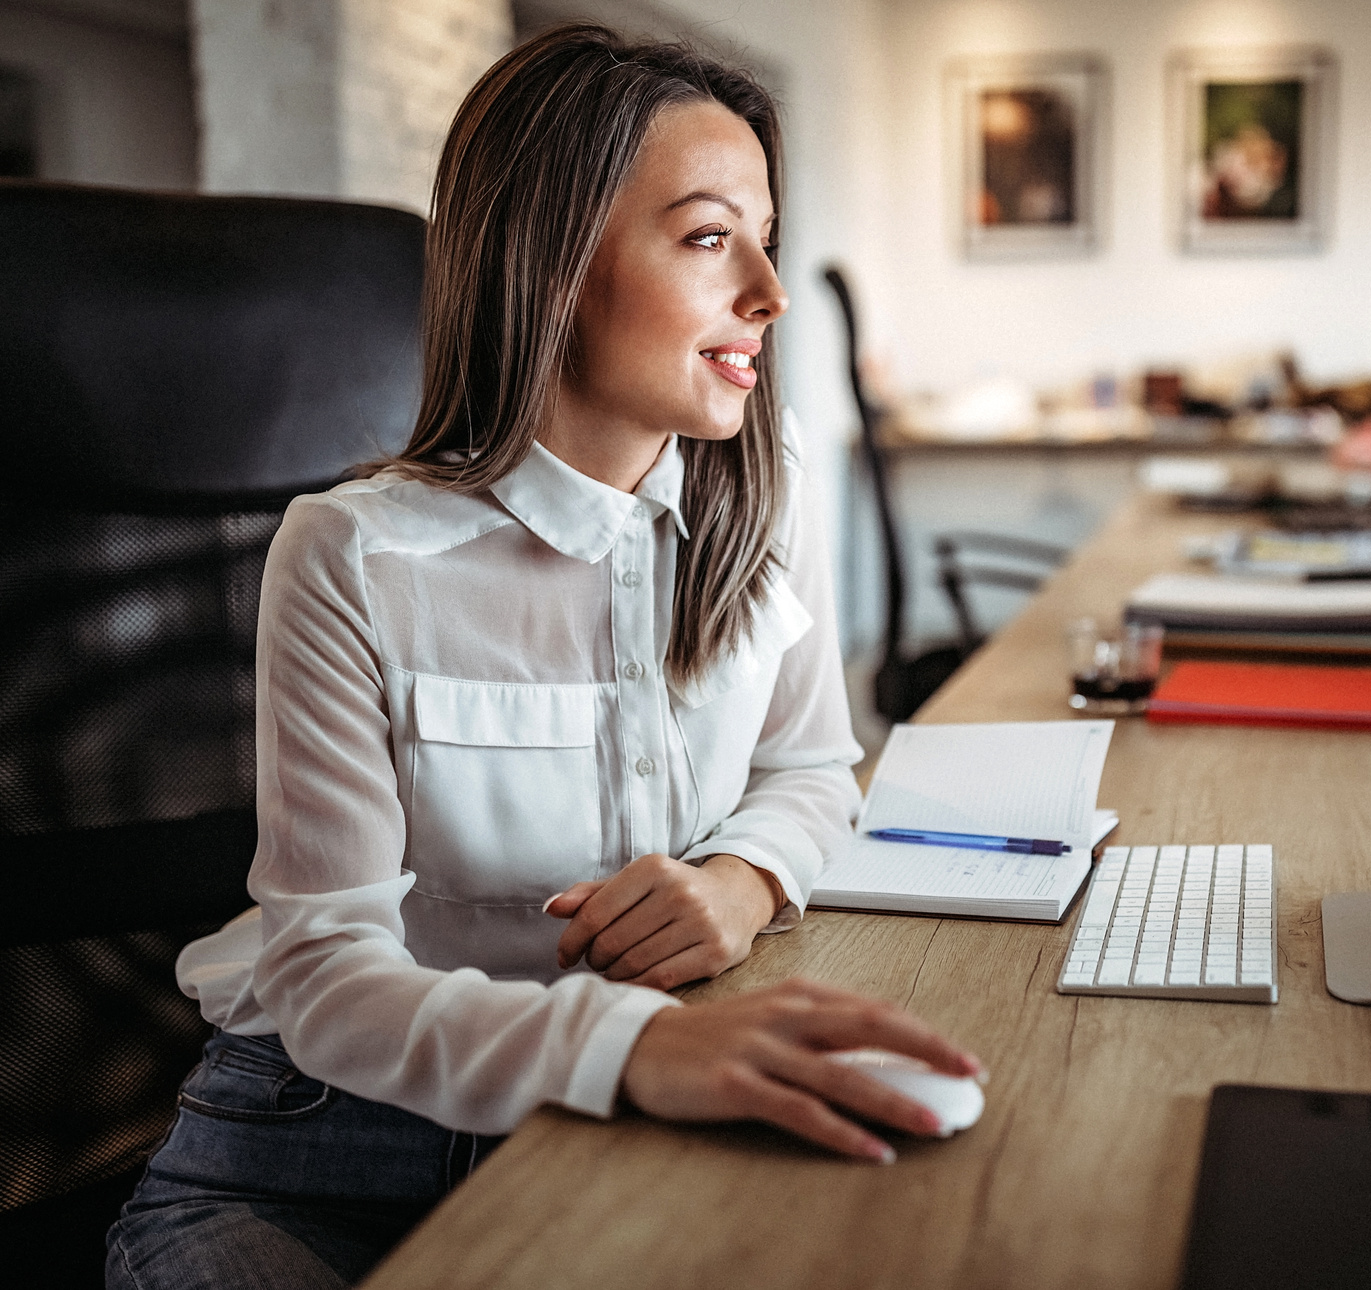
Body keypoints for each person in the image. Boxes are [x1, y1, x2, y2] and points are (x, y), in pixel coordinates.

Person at [106, 26, 978, 1290]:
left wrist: (740, 880)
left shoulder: (766, 493)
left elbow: (816, 769)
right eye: (707, 238)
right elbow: (329, 979)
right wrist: (625, 1046)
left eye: (766, 240)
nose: (772, 296)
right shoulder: (352, 557)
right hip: (315, 1146)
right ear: (554, 262)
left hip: (607, 1116)